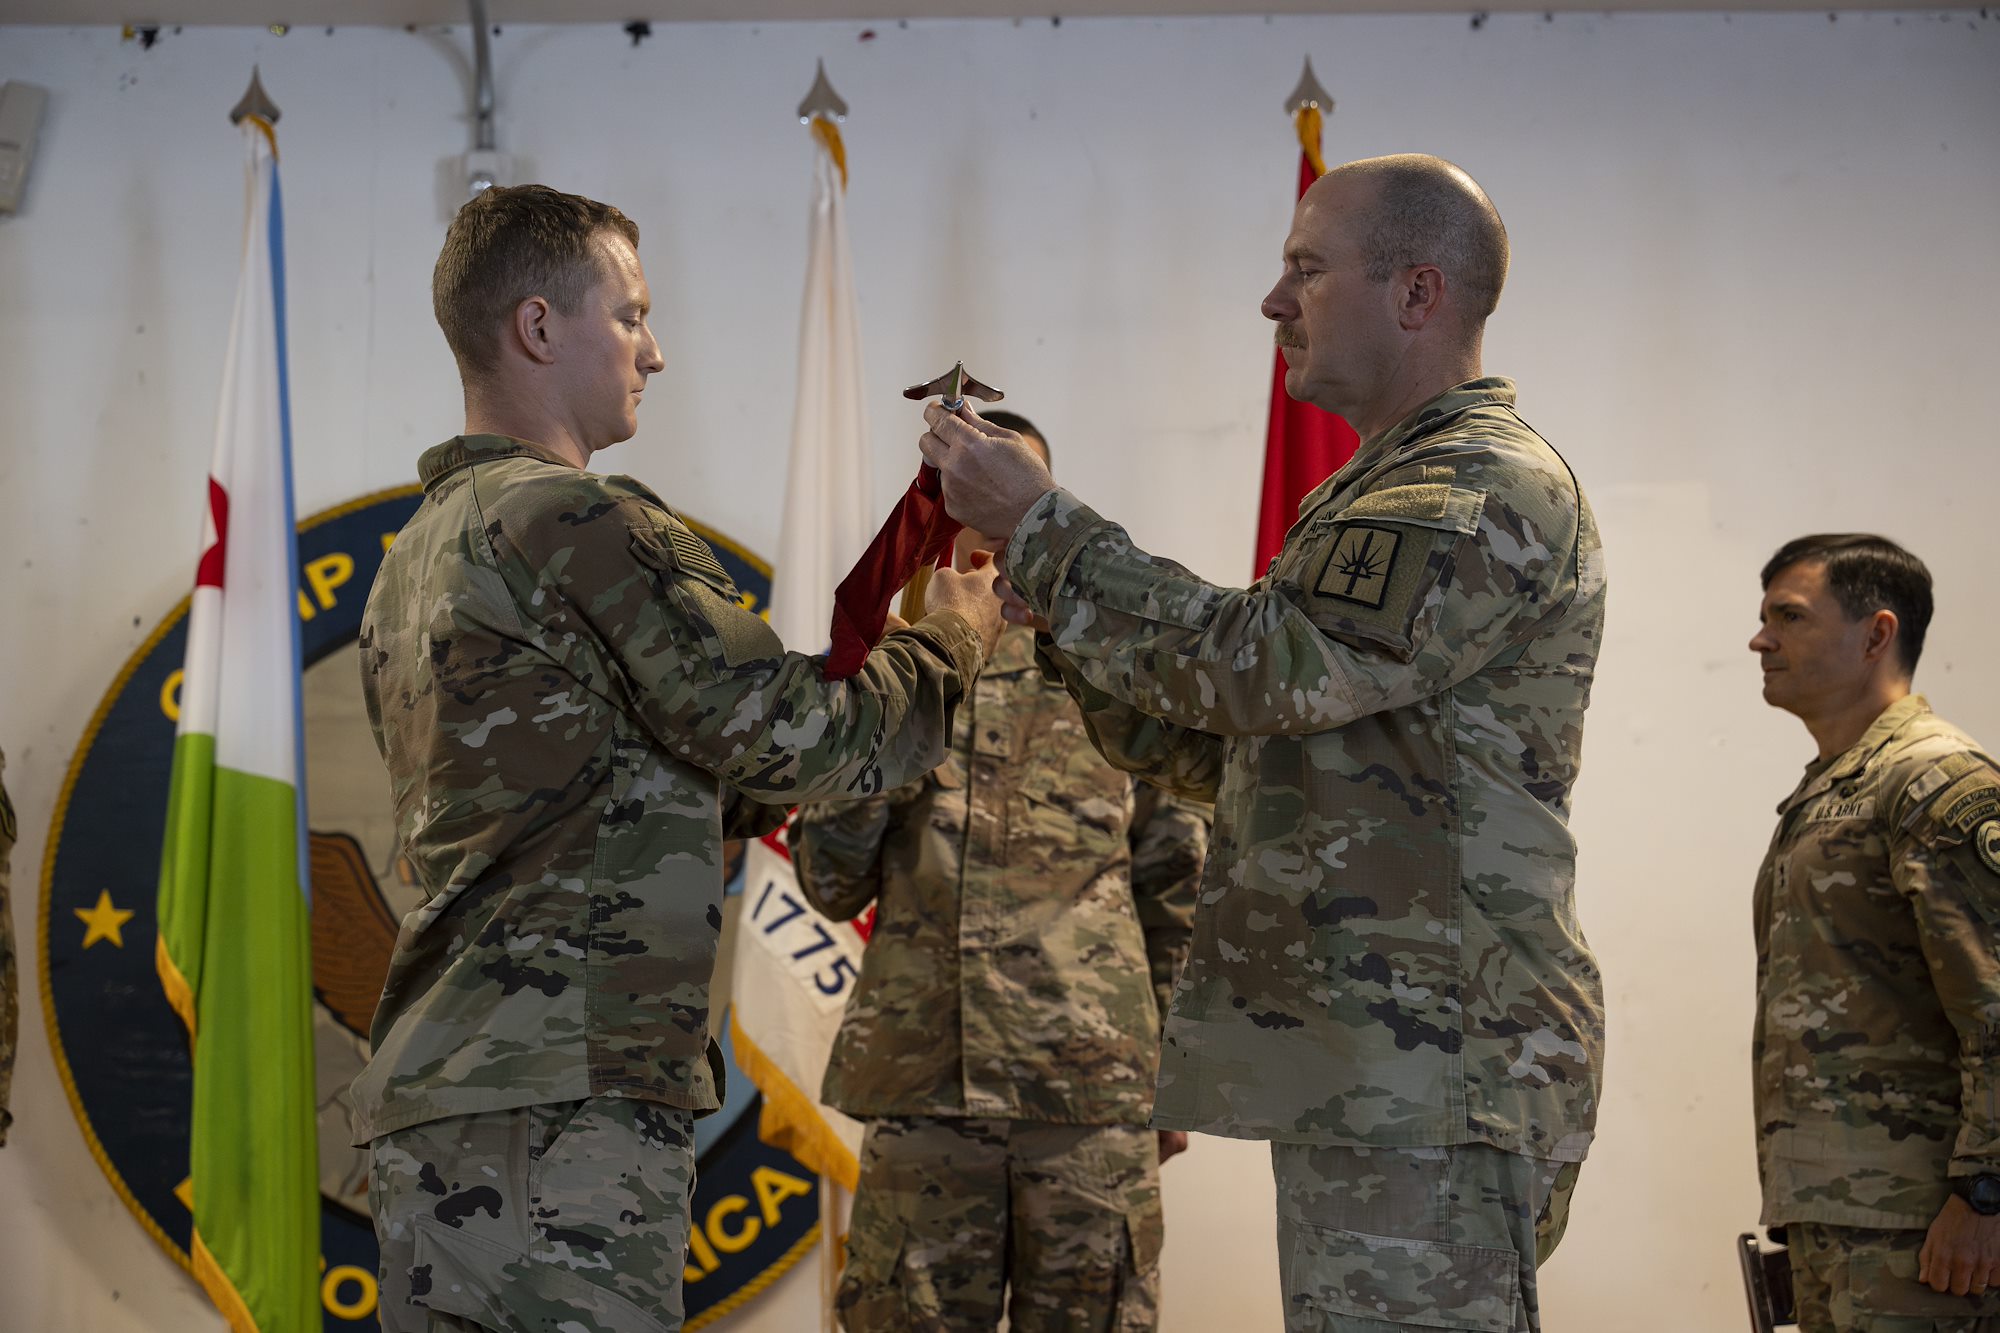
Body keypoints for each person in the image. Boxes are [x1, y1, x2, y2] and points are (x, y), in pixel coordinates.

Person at [915, 154, 1605, 1332]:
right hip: (1376, 1055)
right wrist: (1068, 628)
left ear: (1416, 292)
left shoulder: (1471, 484)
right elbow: (1249, 745)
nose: (1273, 301)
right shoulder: (1378, 485)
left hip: (1433, 1055)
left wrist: (1042, 524)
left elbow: (1271, 665)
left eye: (1305, 269)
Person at [353, 184, 1005, 1333]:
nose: (653, 352)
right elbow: (797, 732)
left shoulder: (416, 555)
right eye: (631, 316)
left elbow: (635, 783)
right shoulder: (568, 520)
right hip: (561, 1100)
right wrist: (950, 640)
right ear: (538, 326)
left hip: (461, 1096)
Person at [791, 412, 1211, 1332]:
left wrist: (1177, 1073)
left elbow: (1177, 889)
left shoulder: (1120, 666)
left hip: (1089, 1091)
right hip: (925, 1091)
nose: (983, 514)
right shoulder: (886, 669)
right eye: (959, 488)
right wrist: (896, 696)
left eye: (1006, 486)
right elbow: (829, 882)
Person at [1749, 534, 2000, 1332]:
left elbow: (1995, 1003)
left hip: (1927, 1226)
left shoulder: (1933, 780)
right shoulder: (1832, 788)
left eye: (1789, 616)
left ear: (1876, 634)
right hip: (1842, 1217)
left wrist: (1984, 1194)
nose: (1760, 640)